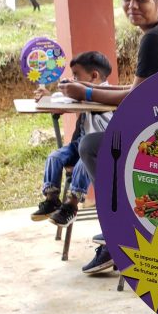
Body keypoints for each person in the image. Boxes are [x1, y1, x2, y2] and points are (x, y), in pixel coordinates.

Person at [59, 0, 158, 274]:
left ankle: (119, 232)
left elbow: (136, 97)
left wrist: (85, 90)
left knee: (92, 145)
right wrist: (91, 90)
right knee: (99, 143)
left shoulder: (156, 39)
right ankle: (120, 224)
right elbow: (142, 90)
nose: (132, 6)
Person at [29, 52, 113, 228]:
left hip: (98, 150)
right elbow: (64, 99)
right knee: (54, 157)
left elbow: (81, 100)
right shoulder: (82, 93)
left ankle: (72, 205)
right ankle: (52, 200)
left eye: (76, 75)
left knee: (83, 164)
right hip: (80, 142)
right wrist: (49, 98)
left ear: (94, 76)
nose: (73, 79)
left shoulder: (106, 93)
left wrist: (62, 97)